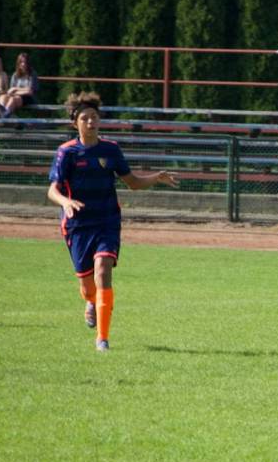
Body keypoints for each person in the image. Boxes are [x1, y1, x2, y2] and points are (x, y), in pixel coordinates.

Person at [47, 91, 179, 352]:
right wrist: (65, 202)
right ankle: (91, 301)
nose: (91, 122)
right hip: (77, 225)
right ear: (75, 123)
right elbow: (52, 190)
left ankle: (102, 339)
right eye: (85, 118)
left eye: (94, 117)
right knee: (88, 287)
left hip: (107, 220)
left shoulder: (111, 149)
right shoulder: (67, 152)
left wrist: (155, 177)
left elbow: (132, 183)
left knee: (103, 271)